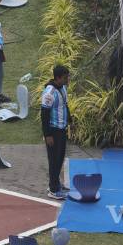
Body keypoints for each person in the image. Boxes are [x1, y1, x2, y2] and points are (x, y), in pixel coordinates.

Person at [41, 64, 71, 200]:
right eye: (65, 77)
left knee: (59, 159)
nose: (68, 79)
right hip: (53, 131)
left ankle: (56, 183)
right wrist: (47, 135)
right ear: (58, 78)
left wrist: (70, 120)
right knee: (54, 160)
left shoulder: (63, 88)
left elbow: (65, 105)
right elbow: (44, 115)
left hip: (62, 129)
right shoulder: (49, 93)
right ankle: (53, 189)